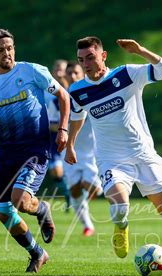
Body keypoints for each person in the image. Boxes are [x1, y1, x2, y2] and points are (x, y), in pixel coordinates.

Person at [65, 36, 162, 276]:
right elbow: (77, 116)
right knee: (119, 206)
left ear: (103, 55)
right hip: (111, 160)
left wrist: (140, 51)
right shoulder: (78, 90)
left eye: (90, 57)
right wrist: (70, 144)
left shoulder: (126, 75)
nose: (86, 64)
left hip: (144, 156)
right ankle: (121, 228)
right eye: (81, 60)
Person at [0, 29, 70, 273]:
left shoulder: (31, 71)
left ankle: (42, 208)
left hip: (35, 148)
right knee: (4, 213)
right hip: (6, 152)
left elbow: (64, 95)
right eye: (0, 49)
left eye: (10, 47)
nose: (7, 53)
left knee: (20, 201)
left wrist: (63, 130)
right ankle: (37, 252)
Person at [63, 60, 103, 236]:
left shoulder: (91, 92)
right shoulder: (60, 97)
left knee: (92, 188)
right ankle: (88, 225)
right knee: (74, 189)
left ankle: (97, 189)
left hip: (91, 152)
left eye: (76, 73)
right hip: (68, 150)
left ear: (83, 74)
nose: (72, 76)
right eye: (69, 73)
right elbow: (51, 121)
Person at [45, 60, 72, 210]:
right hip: (50, 136)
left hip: (67, 135)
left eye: (62, 69)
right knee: (55, 171)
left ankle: (74, 196)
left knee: (69, 170)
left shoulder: (72, 90)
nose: (59, 72)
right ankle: (68, 195)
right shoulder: (46, 89)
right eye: (56, 68)